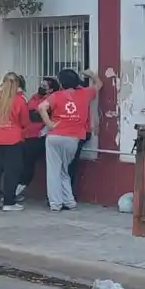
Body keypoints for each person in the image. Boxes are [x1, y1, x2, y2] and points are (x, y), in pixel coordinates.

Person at [39, 68, 101, 211]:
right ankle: (69, 201)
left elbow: (42, 107)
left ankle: (55, 203)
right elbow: (99, 85)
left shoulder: (56, 96)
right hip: (73, 138)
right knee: (64, 170)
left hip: (55, 136)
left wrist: (49, 124)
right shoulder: (85, 93)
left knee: (54, 170)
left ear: (61, 83)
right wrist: (92, 75)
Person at [0, 72, 31, 212]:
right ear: (17, 85)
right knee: (12, 171)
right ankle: (9, 201)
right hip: (13, 139)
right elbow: (25, 122)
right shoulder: (19, 100)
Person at [18, 75, 58, 198]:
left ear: (51, 90)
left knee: (28, 165)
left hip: (38, 136)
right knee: (20, 164)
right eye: (41, 84)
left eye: (44, 86)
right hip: (25, 135)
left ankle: (15, 191)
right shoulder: (34, 97)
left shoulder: (51, 100)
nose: (41, 87)